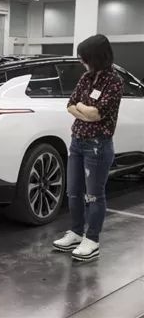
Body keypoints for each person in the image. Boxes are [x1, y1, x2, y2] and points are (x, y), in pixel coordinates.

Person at [52, 34, 123, 262]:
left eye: (85, 57)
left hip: (98, 145)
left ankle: (92, 240)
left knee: (94, 195)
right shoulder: (86, 78)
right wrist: (85, 109)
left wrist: (83, 108)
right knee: (73, 192)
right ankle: (75, 232)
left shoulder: (114, 81)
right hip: (77, 141)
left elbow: (96, 114)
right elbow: (70, 105)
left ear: (97, 57)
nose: (82, 61)